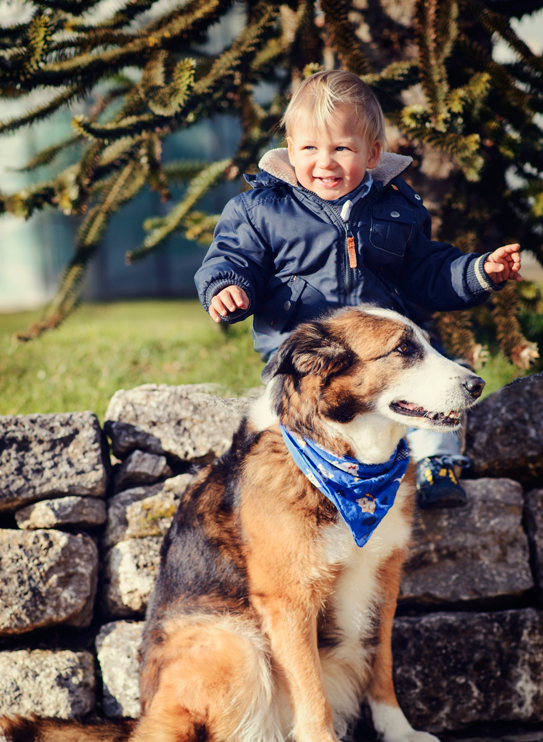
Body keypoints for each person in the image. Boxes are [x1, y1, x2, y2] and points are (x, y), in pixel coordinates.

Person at [194, 70, 522, 508]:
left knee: (432, 382)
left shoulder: (397, 207)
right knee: (290, 416)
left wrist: (480, 272)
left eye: (341, 149)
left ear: (372, 154)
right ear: (290, 150)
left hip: (387, 349)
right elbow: (232, 258)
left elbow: (428, 270)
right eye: (309, 148)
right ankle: (299, 486)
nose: (325, 162)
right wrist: (227, 287)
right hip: (307, 355)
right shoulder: (260, 209)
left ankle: (435, 464)